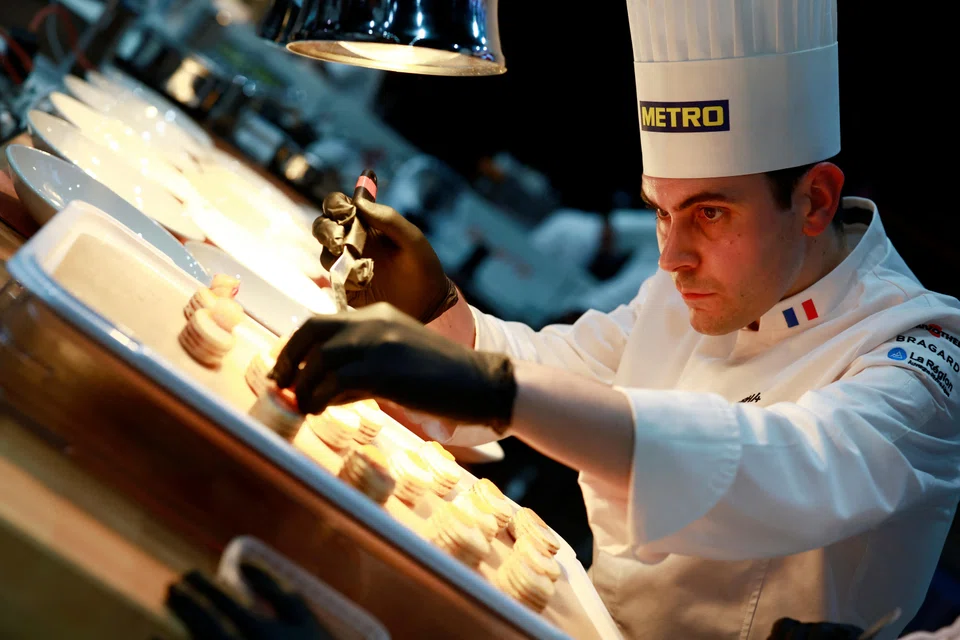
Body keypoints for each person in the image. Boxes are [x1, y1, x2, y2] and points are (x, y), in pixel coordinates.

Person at [268, 0, 960, 637]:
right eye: (661, 210)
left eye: (710, 213)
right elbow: (561, 368)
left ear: (814, 201)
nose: (673, 255)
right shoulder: (692, 284)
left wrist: (490, 387)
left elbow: (779, 463)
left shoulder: (921, 353)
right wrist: (437, 313)